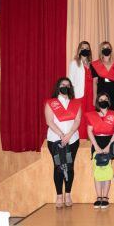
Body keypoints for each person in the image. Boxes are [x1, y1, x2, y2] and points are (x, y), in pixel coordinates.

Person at [44, 77, 82, 208]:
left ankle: (68, 194)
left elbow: (77, 121)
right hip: (55, 139)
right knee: (59, 167)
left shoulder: (75, 103)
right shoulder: (51, 103)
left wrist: (69, 135)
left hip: (73, 139)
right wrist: (61, 135)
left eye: (67, 85)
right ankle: (59, 195)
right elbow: (49, 121)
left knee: (69, 167)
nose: (65, 86)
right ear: (58, 87)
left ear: (70, 88)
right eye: (62, 84)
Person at [86, 93, 114, 209]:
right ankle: (98, 197)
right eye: (101, 99)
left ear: (109, 101)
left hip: (109, 143)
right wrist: (95, 146)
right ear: (97, 101)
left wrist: (109, 146)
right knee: (97, 171)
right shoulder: (92, 115)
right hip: (96, 143)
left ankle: (105, 197)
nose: (103, 101)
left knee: (106, 171)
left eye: (105, 99)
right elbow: (89, 131)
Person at [68, 41, 93, 139]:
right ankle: (80, 139)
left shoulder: (92, 65)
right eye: (83, 48)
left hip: (90, 95)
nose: (85, 50)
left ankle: (89, 138)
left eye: (87, 48)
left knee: (90, 117)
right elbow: (70, 81)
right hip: (79, 95)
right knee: (80, 118)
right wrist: (71, 97)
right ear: (79, 50)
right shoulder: (74, 63)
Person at [90, 41, 114, 112]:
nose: (106, 49)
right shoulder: (95, 64)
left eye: (107, 47)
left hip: (113, 91)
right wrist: (95, 98)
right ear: (101, 51)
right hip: (101, 91)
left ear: (111, 49)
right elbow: (94, 83)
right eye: (103, 48)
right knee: (102, 114)